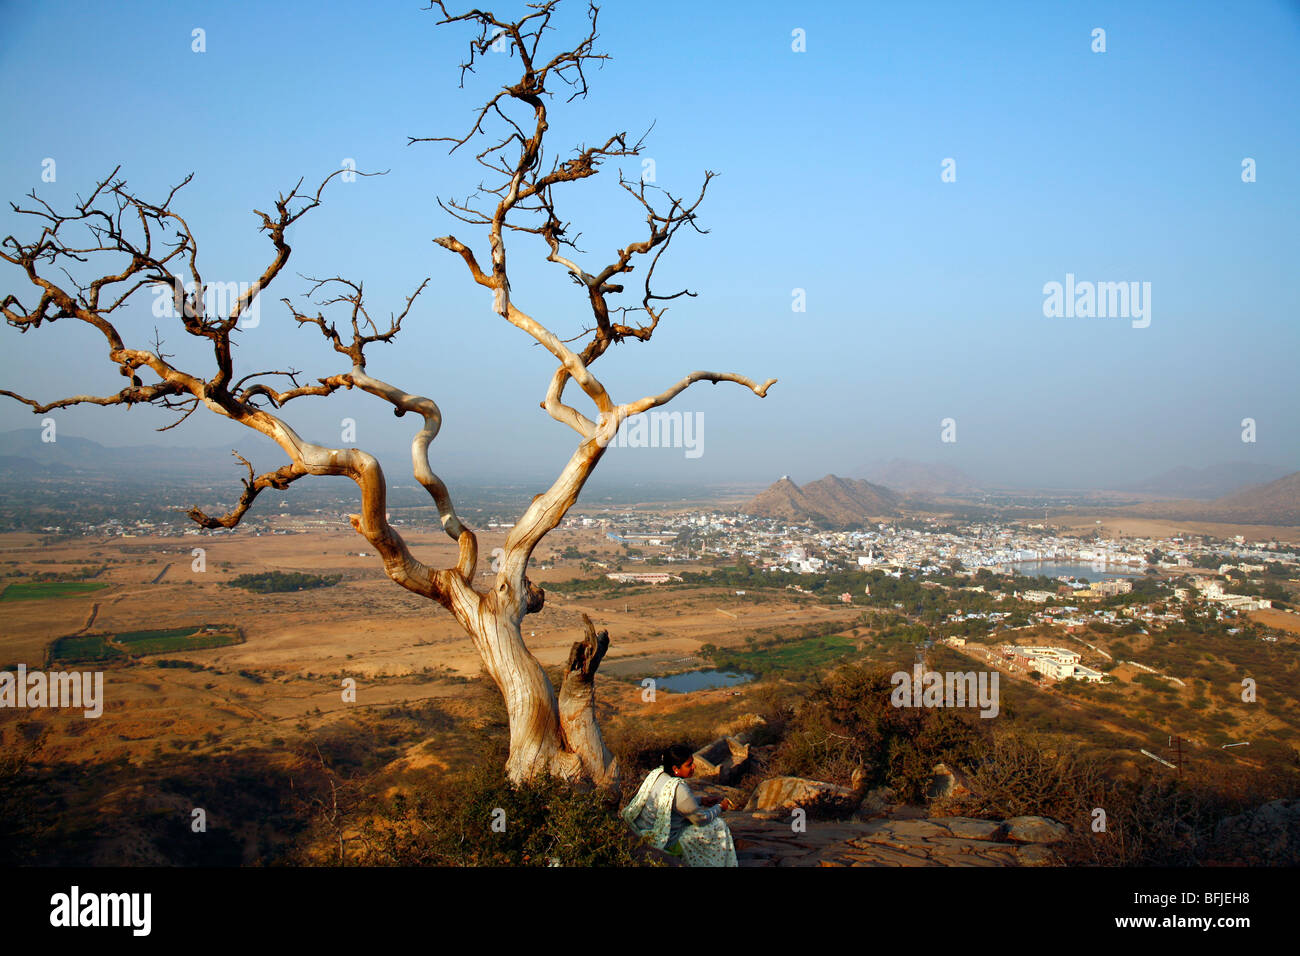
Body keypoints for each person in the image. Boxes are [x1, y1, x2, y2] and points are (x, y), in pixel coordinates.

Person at [621, 743, 738, 866]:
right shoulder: (679, 788)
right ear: (676, 769)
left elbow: (674, 802)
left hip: (642, 830)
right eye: (688, 765)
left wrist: (701, 800)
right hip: (664, 841)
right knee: (718, 825)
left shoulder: (657, 774)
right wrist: (720, 807)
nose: (693, 767)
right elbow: (700, 819)